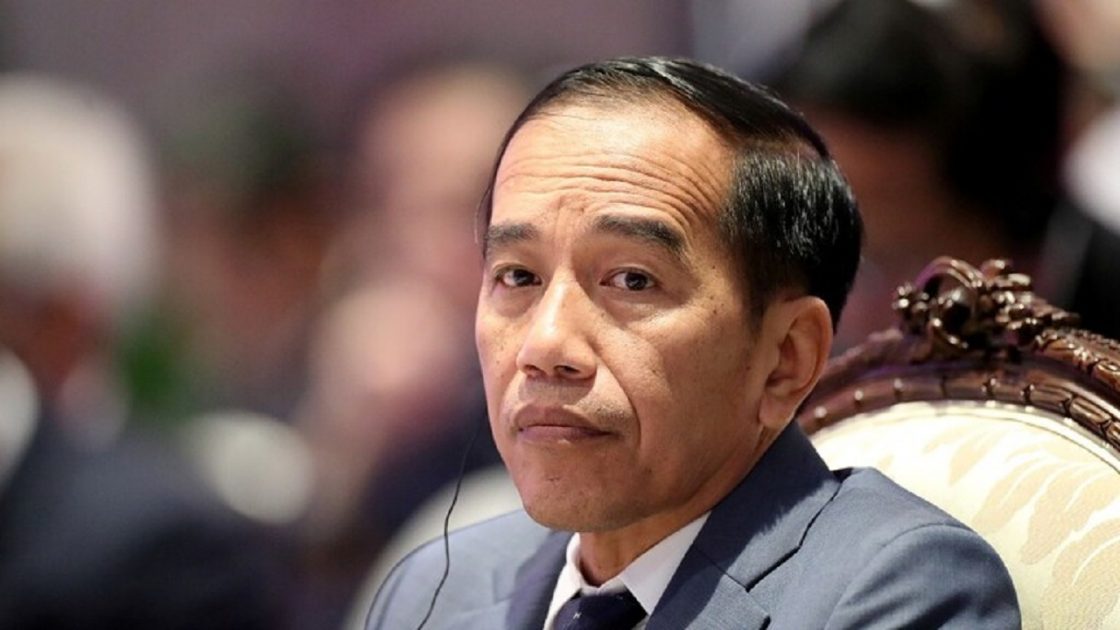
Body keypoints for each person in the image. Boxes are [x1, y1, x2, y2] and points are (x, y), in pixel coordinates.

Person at [366, 57, 1019, 629]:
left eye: (632, 279)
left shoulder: (897, 587)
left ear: (785, 360)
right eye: (517, 276)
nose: (545, 343)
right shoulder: (436, 587)